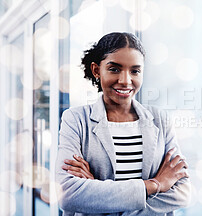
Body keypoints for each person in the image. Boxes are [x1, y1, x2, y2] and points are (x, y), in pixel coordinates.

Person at [55, 32, 190, 216]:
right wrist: (155, 184)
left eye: (135, 71)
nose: (125, 80)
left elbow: (182, 192)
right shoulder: (76, 120)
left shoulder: (160, 119)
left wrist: (97, 196)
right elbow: (68, 194)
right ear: (96, 70)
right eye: (115, 69)